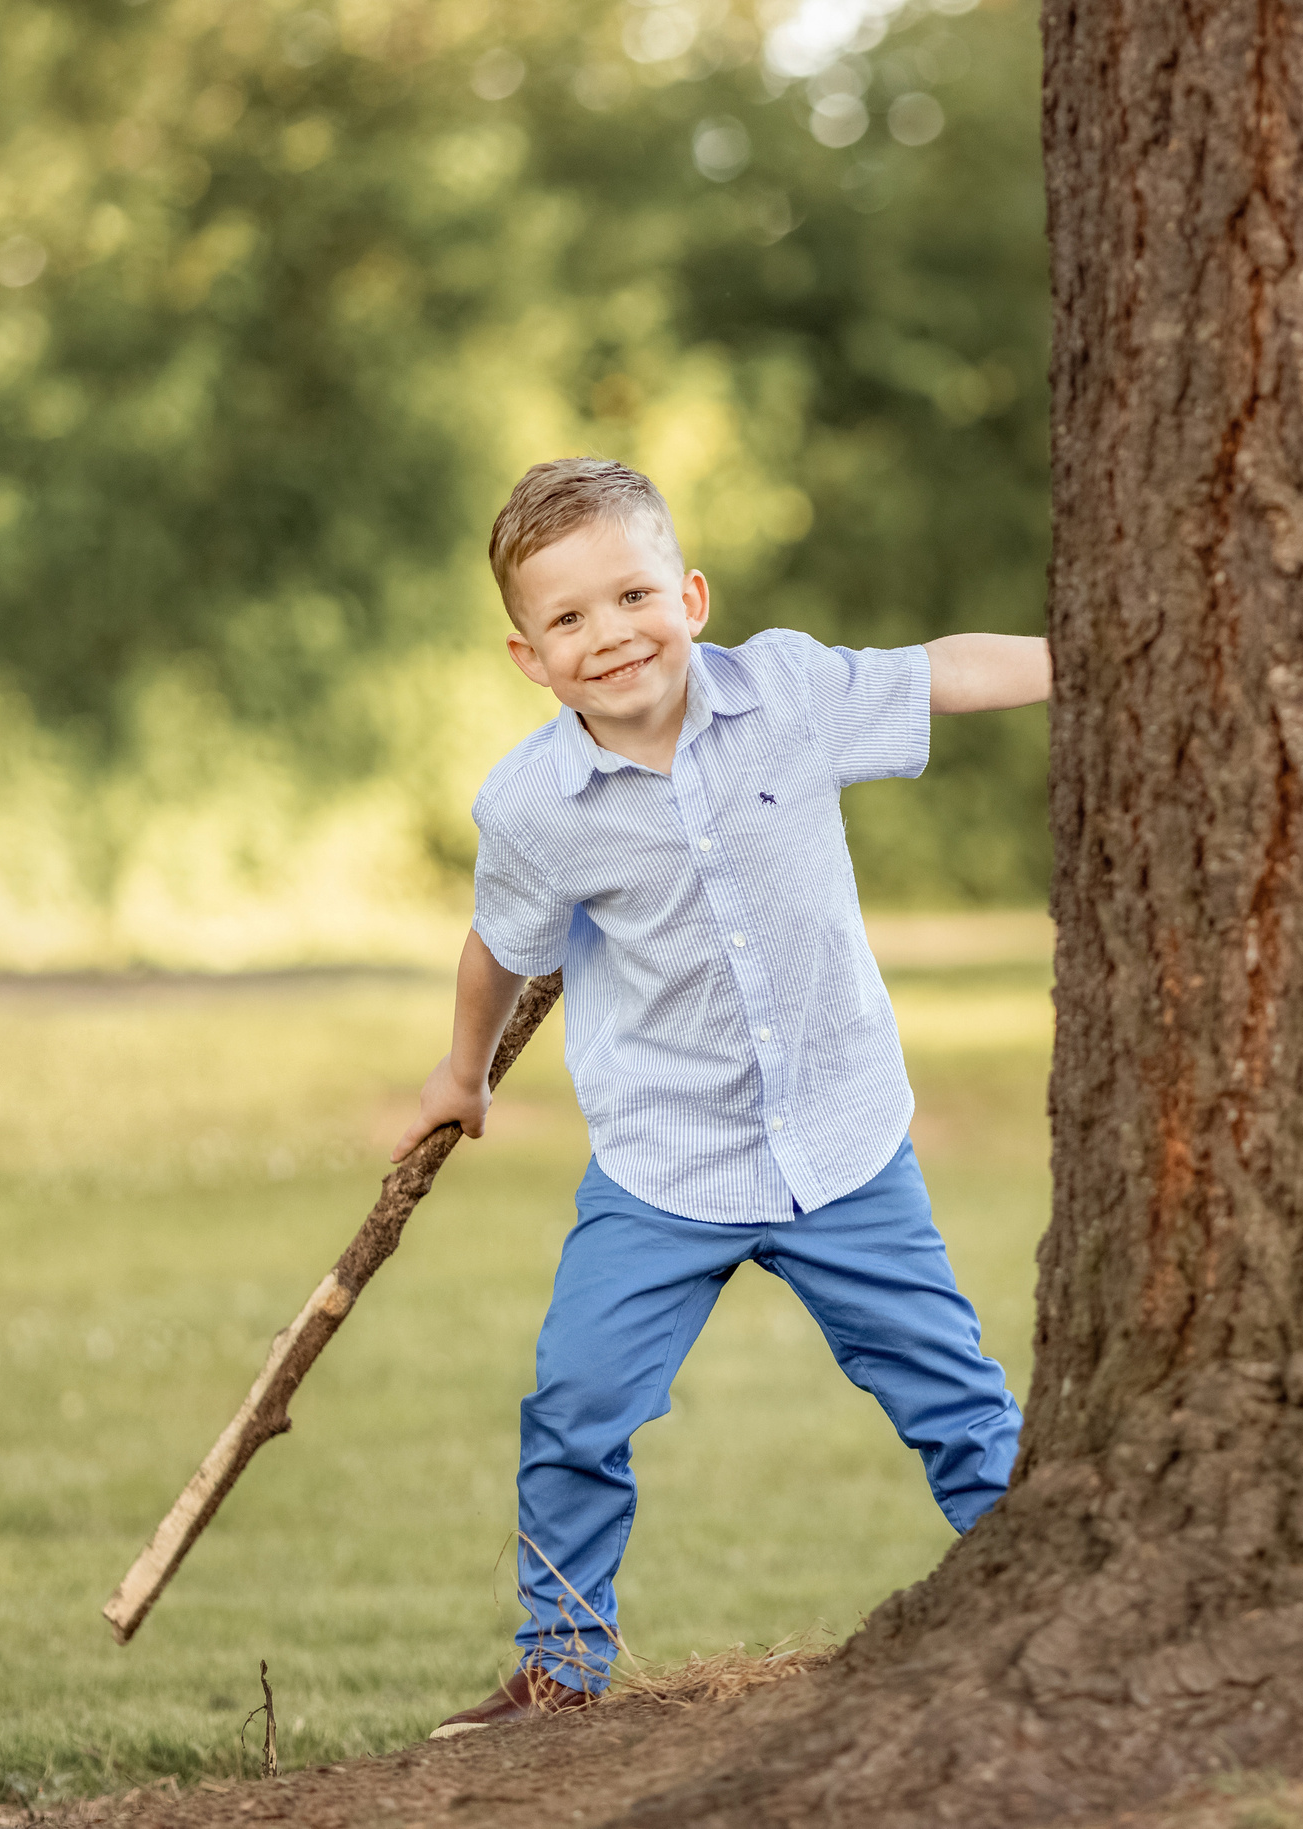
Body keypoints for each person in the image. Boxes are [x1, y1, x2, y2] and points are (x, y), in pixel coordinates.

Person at [391, 458, 1049, 1736]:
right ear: (529, 657)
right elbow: (499, 946)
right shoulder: (531, 806)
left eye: (633, 594)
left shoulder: (789, 693)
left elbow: (941, 670)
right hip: (662, 1167)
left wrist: (1092, 655)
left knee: (956, 1393)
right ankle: (560, 1664)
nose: (609, 633)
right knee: (577, 1403)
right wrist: (460, 1073)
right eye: (568, 617)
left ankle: (1044, 1605)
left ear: (690, 596)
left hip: (844, 1145)